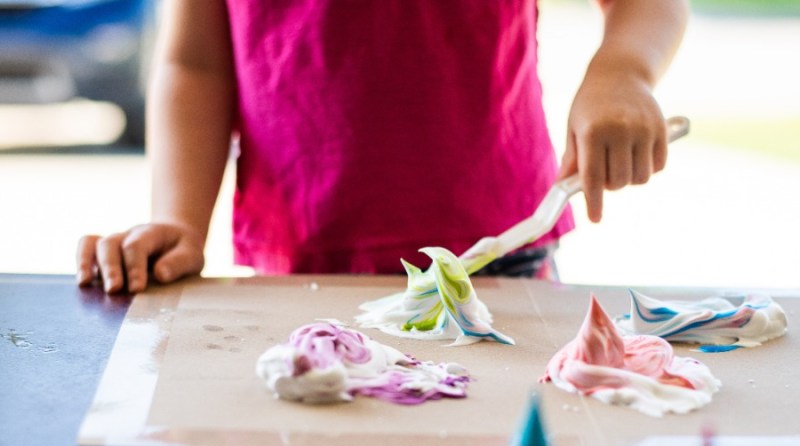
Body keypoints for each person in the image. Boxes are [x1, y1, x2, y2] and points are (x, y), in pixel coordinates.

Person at [77, 0, 689, 294]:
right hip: (296, 266)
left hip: (499, 257)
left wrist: (622, 71)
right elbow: (195, 64)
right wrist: (179, 221)